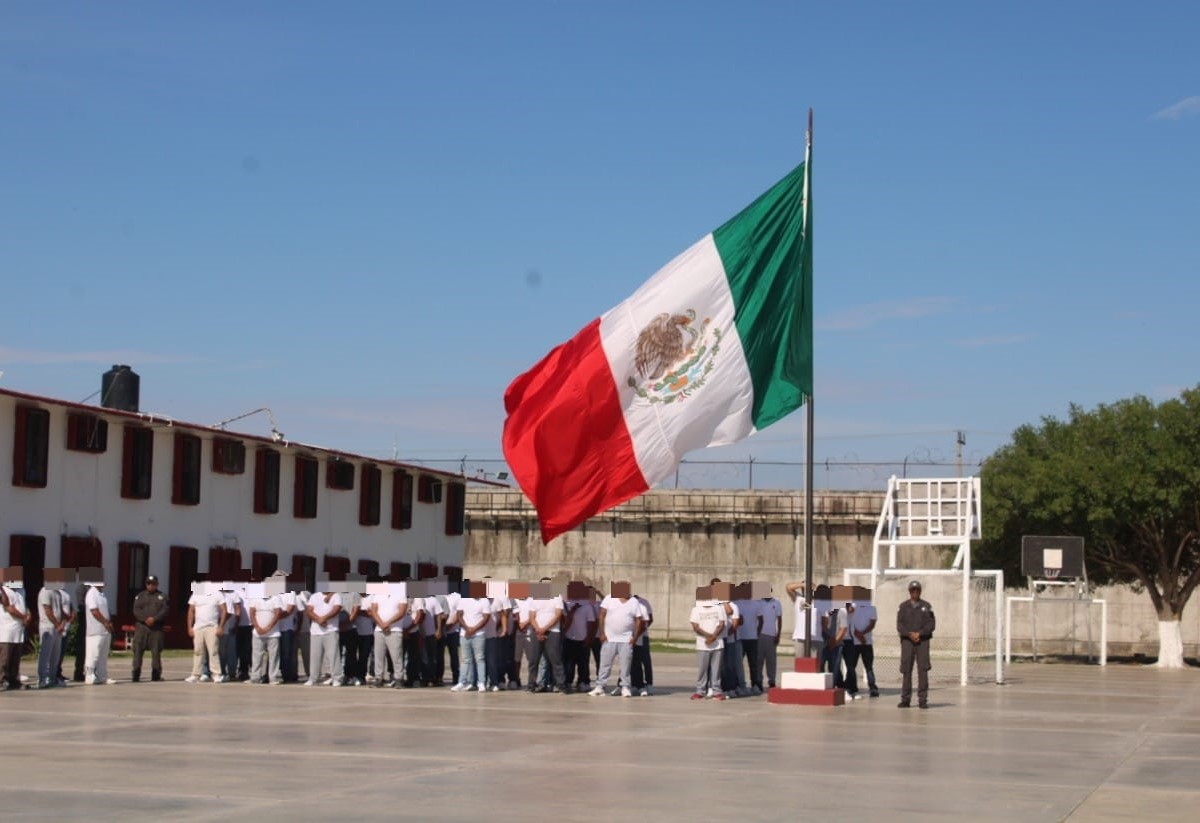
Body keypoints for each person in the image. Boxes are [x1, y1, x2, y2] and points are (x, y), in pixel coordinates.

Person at [589, 589, 645, 698]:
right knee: (605, 664)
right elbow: (601, 615)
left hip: (626, 639)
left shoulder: (634, 601)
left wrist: (635, 637)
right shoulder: (609, 598)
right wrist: (601, 633)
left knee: (625, 665)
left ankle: (625, 687)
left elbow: (639, 619)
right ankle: (600, 686)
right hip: (609, 638)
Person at [897, 580, 936, 709]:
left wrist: (920, 633)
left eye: (917, 590)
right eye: (913, 590)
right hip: (907, 642)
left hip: (922, 642)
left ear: (920, 591)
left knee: (923, 670)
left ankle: (923, 700)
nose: (915, 592)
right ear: (909, 592)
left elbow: (931, 624)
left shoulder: (926, 606)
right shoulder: (903, 607)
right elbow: (900, 625)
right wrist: (909, 634)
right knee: (906, 670)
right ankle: (906, 699)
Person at [131, 575, 168, 682]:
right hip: (142, 628)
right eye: (149, 583)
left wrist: (154, 619)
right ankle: (136, 674)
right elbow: (136, 610)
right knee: (138, 651)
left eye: (153, 584)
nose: (151, 586)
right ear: (146, 584)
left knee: (156, 651)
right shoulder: (140, 596)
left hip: (156, 628)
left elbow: (165, 610)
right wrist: (145, 619)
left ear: (157, 584)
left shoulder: (162, 596)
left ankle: (156, 675)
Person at [450, 589, 489, 692]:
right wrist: (467, 628)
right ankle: (462, 682)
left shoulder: (484, 601)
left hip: (479, 634)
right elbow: (459, 615)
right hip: (464, 634)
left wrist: (474, 629)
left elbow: (486, 618)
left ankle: (481, 682)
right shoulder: (464, 599)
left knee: (479, 658)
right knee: (465, 659)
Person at [526, 589, 565, 693]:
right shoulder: (535, 598)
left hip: (553, 631)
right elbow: (531, 617)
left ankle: (560, 684)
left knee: (555, 660)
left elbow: (558, 615)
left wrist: (545, 629)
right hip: (537, 632)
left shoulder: (557, 597)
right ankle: (531, 684)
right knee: (533, 660)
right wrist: (538, 630)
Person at [185, 583, 225, 684]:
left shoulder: (217, 594)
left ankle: (216, 674)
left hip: (212, 627)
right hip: (198, 627)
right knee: (198, 651)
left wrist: (220, 626)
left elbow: (224, 611)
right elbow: (191, 611)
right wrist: (190, 627)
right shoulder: (196, 594)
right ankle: (196, 674)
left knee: (213, 651)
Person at [690, 596, 727, 700]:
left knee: (716, 670)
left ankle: (716, 691)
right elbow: (695, 626)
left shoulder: (719, 608)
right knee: (702, 669)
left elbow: (721, 624)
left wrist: (714, 636)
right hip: (702, 645)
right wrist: (708, 636)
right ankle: (700, 691)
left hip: (717, 644)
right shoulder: (696, 609)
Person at [370, 587, 407, 688]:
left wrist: (388, 623)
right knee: (378, 656)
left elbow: (402, 611)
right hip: (379, 630)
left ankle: (399, 678)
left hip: (395, 630)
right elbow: (373, 611)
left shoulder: (401, 595)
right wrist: (382, 624)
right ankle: (378, 678)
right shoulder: (377, 594)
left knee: (396, 656)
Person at [305, 587, 343, 686]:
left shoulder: (336, 595)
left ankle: (337, 678)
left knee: (333, 656)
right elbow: (309, 611)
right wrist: (319, 620)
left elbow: (337, 608)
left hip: (331, 630)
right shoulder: (314, 596)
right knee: (314, 656)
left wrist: (324, 618)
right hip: (315, 631)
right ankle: (313, 678)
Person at [0, 579, 32, 690]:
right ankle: (2, 681)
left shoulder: (21, 591)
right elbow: (8, 607)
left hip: (18, 630)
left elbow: (24, 604)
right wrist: (23, 617)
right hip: (6, 630)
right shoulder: (3, 591)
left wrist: (28, 614)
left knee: (15, 658)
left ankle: (14, 681)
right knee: (5, 658)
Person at [83, 580, 116, 685]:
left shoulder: (102, 594)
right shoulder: (91, 593)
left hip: (105, 630)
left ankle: (102, 676)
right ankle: (89, 675)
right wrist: (105, 622)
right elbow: (94, 611)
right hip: (95, 630)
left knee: (103, 655)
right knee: (93, 654)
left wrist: (109, 623)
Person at [37, 581, 66, 689]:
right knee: (45, 655)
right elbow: (47, 610)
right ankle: (42, 679)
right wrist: (57, 624)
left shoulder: (57, 593)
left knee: (55, 655)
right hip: (48, 627)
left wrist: (62, 623)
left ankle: (52, 679)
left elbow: (61, 610)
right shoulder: (45, 591)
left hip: (58, 627)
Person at [848, 599, 879, 698]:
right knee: (852, 666)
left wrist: (863, 634)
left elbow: (872, 624)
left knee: (869, 666)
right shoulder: (853, 607)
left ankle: (872, 687)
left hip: (867, 642)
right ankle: (851, 687)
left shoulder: (872, 609)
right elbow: (849, 621)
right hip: (854, 642)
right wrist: (857, 634)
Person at [820, 602, 849, 691]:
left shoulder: (842, 612)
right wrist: (828, 639)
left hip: (836, 645)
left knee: (834, 668)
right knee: (820, 665)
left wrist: (834, 642)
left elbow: (843, 629)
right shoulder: (822, 611)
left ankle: (832, 687)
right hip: (824, 643)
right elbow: (822, 626)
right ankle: (821, 685)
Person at [757, 589, 783, 689]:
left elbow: (779, 619)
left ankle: (771, 680)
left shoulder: (776, 602)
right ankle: (758, 680)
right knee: (759, 660)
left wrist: (778, 634)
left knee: (771, 661)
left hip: (772, 635)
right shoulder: (758, 602)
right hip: (760, 635)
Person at [631, 593, 655, 696]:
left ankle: (649, 683)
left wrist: (639, 632)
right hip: (630, 638)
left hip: (642, 637)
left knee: (645, 661)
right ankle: (635, 684)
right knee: (633, 661)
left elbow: (649, 619)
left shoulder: (643, 603)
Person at [785, 580, 813, 660]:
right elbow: (788, 587)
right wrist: (802, 584)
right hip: (800, 636)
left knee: (813, 664)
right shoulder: (798, 598)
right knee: (800, 662)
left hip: (813, 637)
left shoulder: (816, 599)